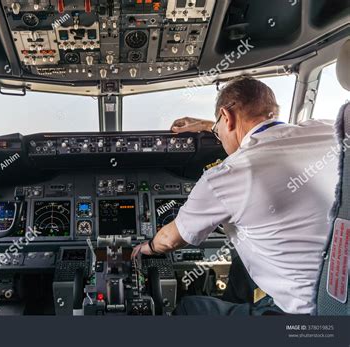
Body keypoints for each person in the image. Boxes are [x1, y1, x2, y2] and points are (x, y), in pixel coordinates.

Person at [132, 76, 338, 315]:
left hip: (307, 316)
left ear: (227, 118)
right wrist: (212, 126)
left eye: (218, 129)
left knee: (189, 308)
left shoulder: (228, 175)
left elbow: (170, 240)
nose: (218, 135)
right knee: (240, 257)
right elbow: (259, 130)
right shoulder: (329, 130)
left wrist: (147, 247)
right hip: (338, 292)